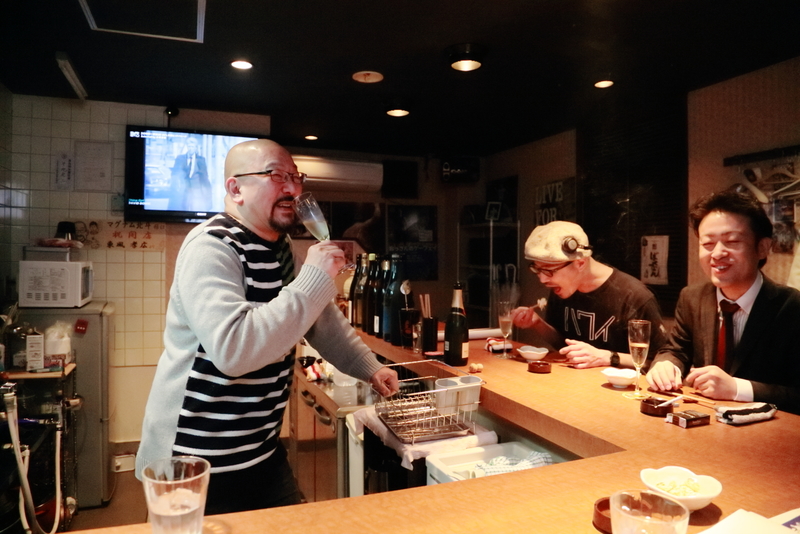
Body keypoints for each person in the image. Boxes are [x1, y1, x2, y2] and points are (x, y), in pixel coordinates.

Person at [136, 139, 399, 514]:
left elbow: (321, 320)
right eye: (276, 176)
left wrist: (369, 368)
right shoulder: (212, 246)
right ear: (235, 189)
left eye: (296, 177)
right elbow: (234, 351)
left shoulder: (282, 248)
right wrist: (313, 279)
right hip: (195, 460)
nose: (292, 188)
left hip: (261, 453)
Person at [646, 190, 800, 414]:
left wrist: (737, 388)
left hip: (770, 430)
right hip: (705, 422)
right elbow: (676, 350)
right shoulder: (692, 298)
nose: (717, 253)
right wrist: (666, 365)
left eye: (732, 241)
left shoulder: (792, 308)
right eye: (708, 243)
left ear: (762, 248)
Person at [510, 221, 667, 369]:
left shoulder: (634, 297)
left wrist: (608, 357)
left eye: (549, 271)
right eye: (537, 270)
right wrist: (538, 323)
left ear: (580, 263)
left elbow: (659, 362)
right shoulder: (562, 289)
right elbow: (563, 345)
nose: (543, 279)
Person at [169, 135, 211, 211]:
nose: (191, 148)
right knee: (182, 207)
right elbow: (175, 173)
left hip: (196, 188)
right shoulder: (180, 158)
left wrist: (207, 189)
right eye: (189, 146)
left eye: (193, 146)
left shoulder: (201, 159)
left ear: (196, 148)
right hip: (183, 187)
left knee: (195, 208)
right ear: (187, 147)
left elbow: (205, 175)